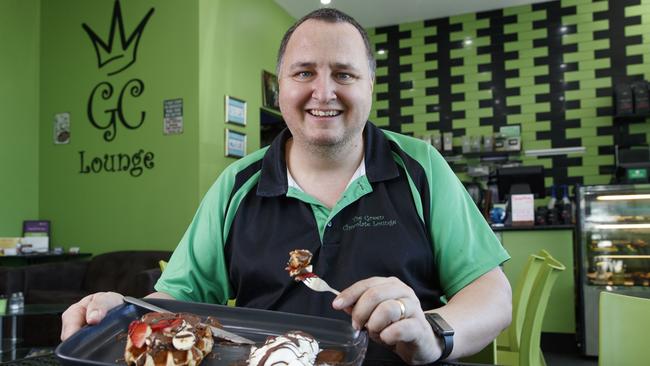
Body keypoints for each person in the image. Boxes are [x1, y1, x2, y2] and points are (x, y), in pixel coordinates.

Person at [61, 8, 511, 364]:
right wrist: (120, 312)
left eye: (344, 74)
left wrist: (434, 334)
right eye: (304, 73)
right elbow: (179, 298)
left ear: (370, 85)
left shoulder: (420, 167)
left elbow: (492, 294)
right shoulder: (237, 184)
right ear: (280, 88)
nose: (323, 92)